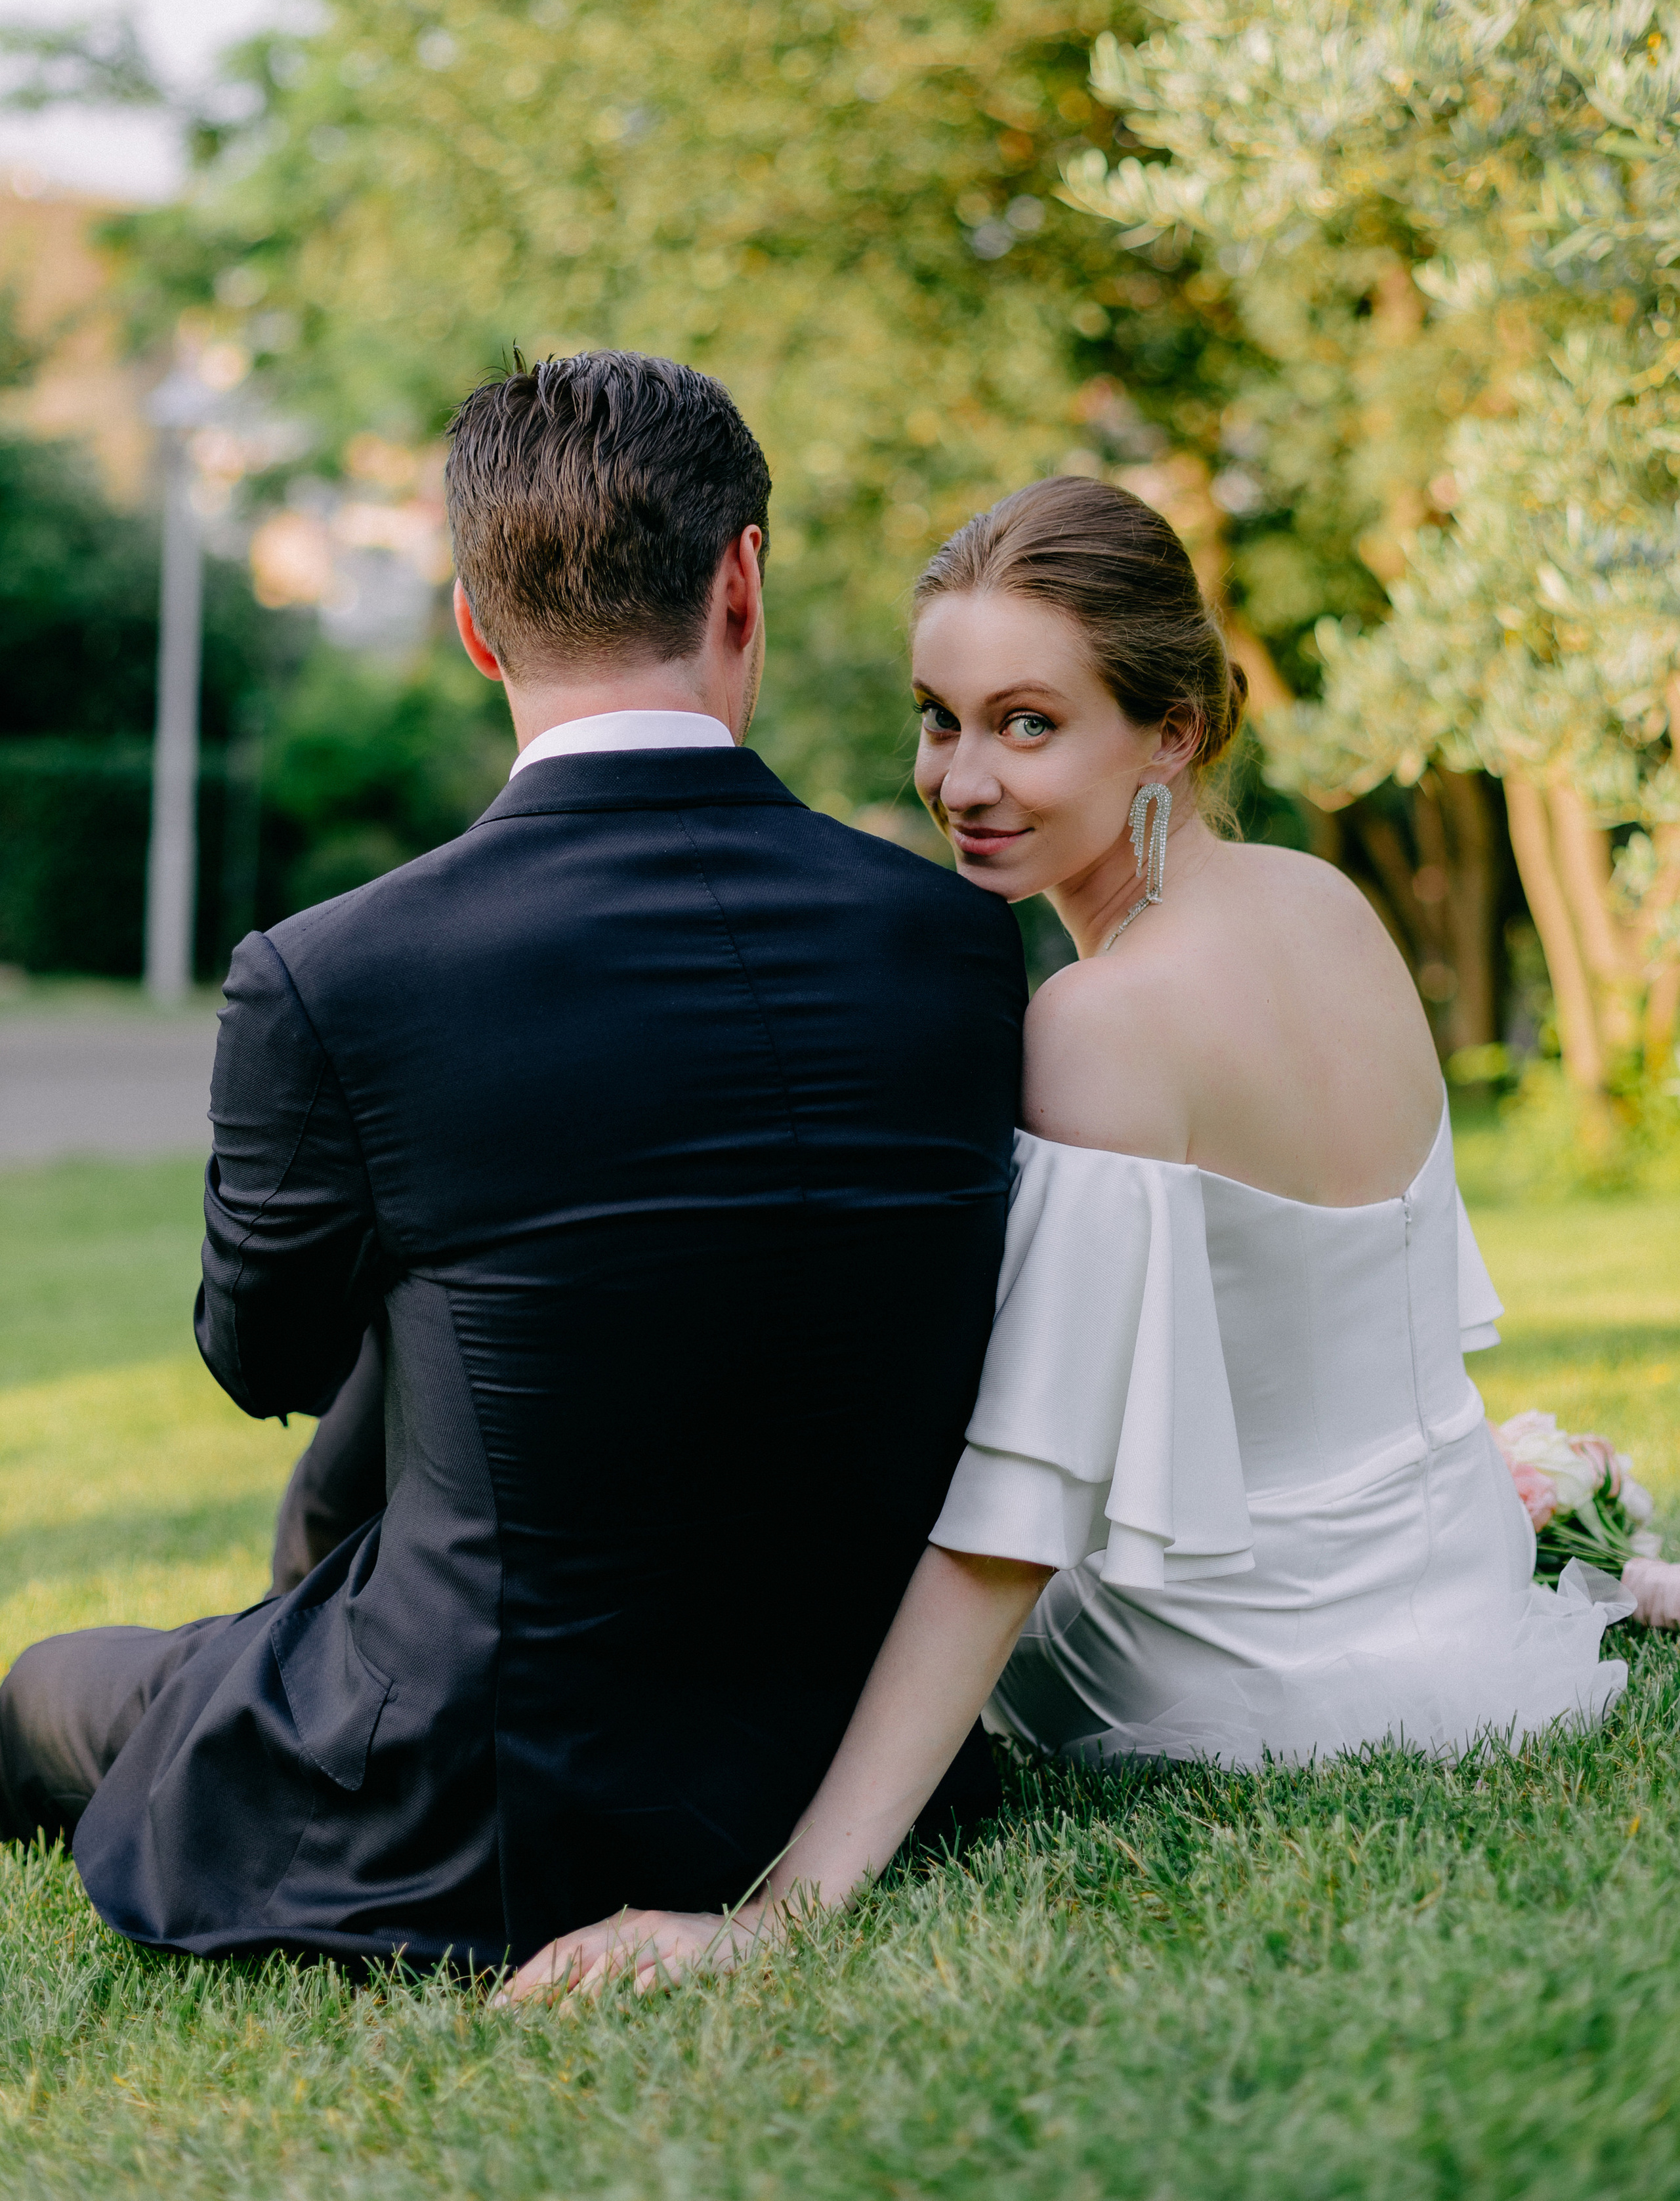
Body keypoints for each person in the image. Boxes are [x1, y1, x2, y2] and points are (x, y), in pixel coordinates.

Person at [513, 474, 1638, 2003]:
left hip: (1246, 1672)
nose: (961, 778)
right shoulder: (1325, 903)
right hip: (1451, 1600)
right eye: (938, 717)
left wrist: (779, 1912)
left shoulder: (1096, 1024)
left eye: (1027, 724)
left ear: (1170, 729)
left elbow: (1014, 1518)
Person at [0, 352, 1025, 1971]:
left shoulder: (332, 972)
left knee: (51, 1688)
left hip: (479, 1806)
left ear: (473, 624)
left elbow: (260, 1353)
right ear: (740, 583)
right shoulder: (958, 946)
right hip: (854, 1757)